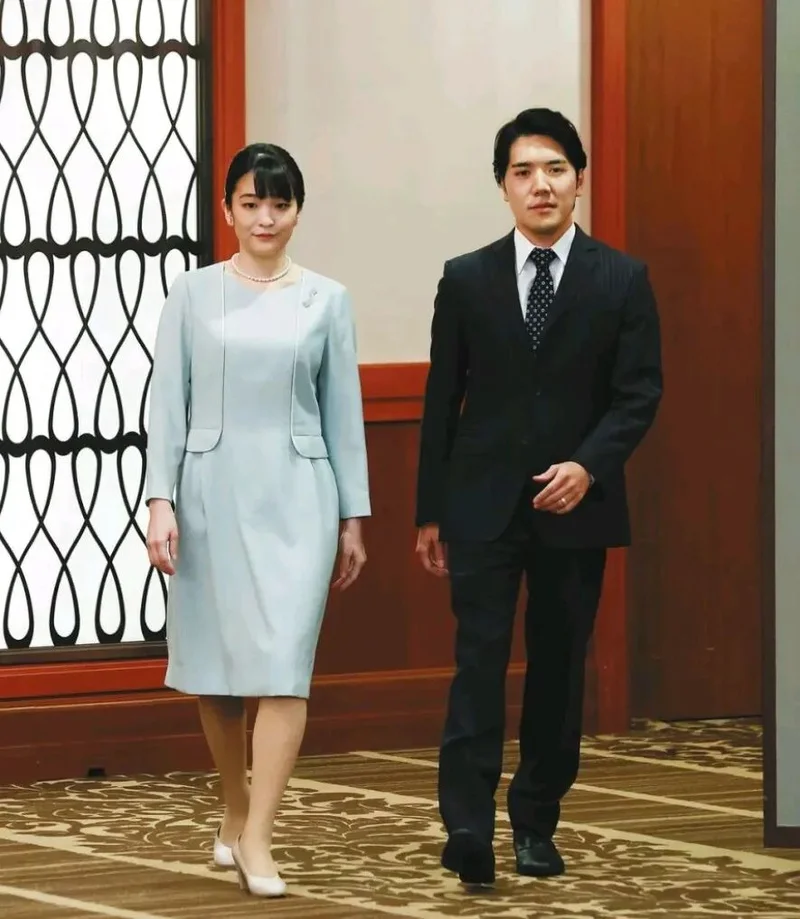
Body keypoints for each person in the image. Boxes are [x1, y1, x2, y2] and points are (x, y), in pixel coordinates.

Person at [415, 108, 662, 886]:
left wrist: (588, 467)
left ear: (579, 179)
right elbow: (440, 400)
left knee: (558, 668)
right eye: (522, 171)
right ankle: (466, 823)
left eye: (555, 168)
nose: (540, 184)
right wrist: (430, 510)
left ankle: (535, 821)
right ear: (503, 186)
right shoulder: (466, 277)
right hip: (481, 504)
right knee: (478, 662)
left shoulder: (621, 279)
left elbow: (638, 393)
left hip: (576, 505)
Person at [145, 143, 370, 898]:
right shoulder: (193, 293)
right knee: (216, 668)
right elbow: (166, 405)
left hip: (300, 496)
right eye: (251, 202)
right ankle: (235, 807)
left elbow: (344, 414)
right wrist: (160, 500)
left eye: (280, 203)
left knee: (284, 665)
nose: (265, 217)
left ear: (298, 210)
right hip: (209, 493)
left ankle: (260, 836)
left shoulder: (327, 299)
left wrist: (353, 516)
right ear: (228, 210)